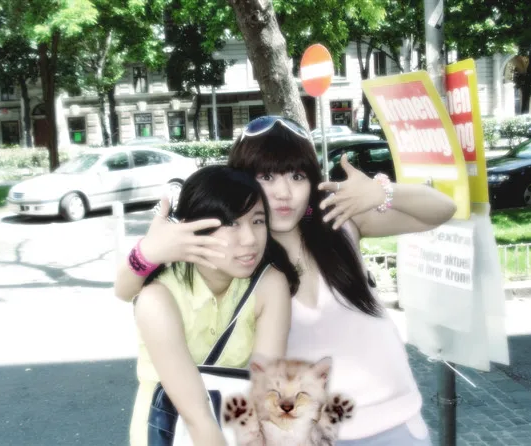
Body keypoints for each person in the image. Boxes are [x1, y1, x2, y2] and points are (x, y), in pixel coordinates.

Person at [115, 116, 457, 446]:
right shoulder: (242, 260)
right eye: (266, 176)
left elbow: (442, 209)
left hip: (395, 422)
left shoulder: (339, 224)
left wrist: (383, 192)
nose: (284, 192)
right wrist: (147, 252)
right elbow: (132, 292)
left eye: (297, 176)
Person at [127, 165, 299, 446]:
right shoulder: (158, 298)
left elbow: (265, 390)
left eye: (257, 221)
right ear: (192, 229)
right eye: (231, 223)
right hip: (168, 430)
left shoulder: (269, 285)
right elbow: (197, 417)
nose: (250, 239)